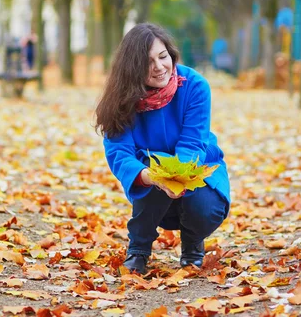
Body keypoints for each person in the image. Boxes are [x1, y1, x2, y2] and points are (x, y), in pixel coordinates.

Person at [95, 23, 230, 275]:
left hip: (194, 168)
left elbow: (193, 142)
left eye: (163, 56)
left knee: (206, 209)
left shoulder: (194, 86)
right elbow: (119, 152)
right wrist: (153, 177)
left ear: (171, 54)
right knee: (154, 171)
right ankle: (138, 249)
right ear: (132, 69)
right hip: (149, 183)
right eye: (148, 62)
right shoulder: (121, 98)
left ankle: (192, 245)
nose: (159, 67)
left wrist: (177, 176)